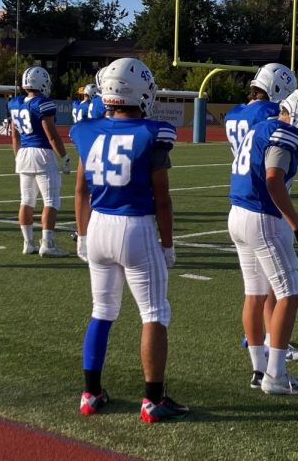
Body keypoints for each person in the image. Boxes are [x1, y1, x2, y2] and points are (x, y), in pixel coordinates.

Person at [71, 57, 189, 422]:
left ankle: (90, 394)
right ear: (139, 93)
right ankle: (153, 399)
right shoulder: (152, 133)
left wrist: (81, 234)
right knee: (154, 313)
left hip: (99, 227)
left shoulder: (86, 130)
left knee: (101, 311)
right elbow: (163, 199)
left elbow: (79, 191)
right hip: (134, 227)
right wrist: (167, 244)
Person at [229, 87, 298, 395]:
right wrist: (297, 225)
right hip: (262, 217)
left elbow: (283, 165)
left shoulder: (262, 126)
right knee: (290, 293)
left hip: (238, 214)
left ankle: (260, 369)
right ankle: (275, 375)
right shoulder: (282, 132)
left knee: (255, 294)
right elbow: (274, 178)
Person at [224, 64, 298, 367]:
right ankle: (276, 359)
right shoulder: (273, 120)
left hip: (240, 199)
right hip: (263, 205)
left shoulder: (236, 114)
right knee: (283, 289)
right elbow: (275, 170)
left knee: (254, 291)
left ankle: (259, 362)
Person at [9, 66, 70, 257]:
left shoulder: (15, 103)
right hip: (41, 153)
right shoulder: (42, 103)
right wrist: (64, 156)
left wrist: (17, 155)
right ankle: (48, 244)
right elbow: (51, 135)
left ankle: (28, 243)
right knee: (51, 201)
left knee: (26, 200)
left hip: (24, 153)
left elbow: (14, 136)